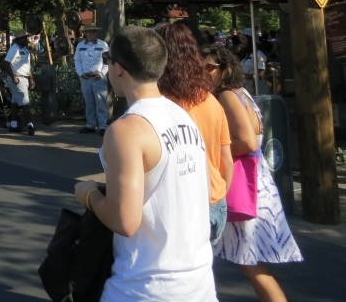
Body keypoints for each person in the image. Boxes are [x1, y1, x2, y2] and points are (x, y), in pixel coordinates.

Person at [74, 26, 216, 301]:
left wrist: (88, 194)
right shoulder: (183, 116)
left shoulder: (126, 129)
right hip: (199, 282)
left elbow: (124, 220)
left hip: (145, 285)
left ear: (118, 68)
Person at [205, 45, 301, 302]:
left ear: (225, 69)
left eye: (210, 67)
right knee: (250, 262)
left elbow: (247, 142)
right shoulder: (241, 92)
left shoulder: (226, 95)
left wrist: (213, 149)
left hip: (245, 183)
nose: (204, 72)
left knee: (251, 264)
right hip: (256, 182)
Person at [158, 23, 233, 246]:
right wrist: (218, 196)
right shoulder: (211, 100)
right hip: (214, 201)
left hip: (182, 203)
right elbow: (226, 161)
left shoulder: (162, 103)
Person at [74, 23, 110, 135]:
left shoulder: (103, 44)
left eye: (94, 31)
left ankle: (103, 126)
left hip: (98, 77)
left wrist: (102, 73)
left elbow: (107, 61)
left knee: (101, 103)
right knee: (89, 102)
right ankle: (90, 125)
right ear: (85, 33)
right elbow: (77, 61)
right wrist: (80, 73)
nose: (92, 33)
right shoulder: (80, 46)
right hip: (86, 78)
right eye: (89, 31)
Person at [2, 31, 35, 135]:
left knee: (15, 102)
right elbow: (6, 63)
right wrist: (13, 77)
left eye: (26, 38)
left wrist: (31, 79)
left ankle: (13, 125)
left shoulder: (25, 49)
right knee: (25, 102)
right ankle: (30, 125)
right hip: (17, 79)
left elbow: (26, 66)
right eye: (24, 38)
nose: (26, 40)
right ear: (18, 39)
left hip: (24, 78)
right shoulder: (14, 48)